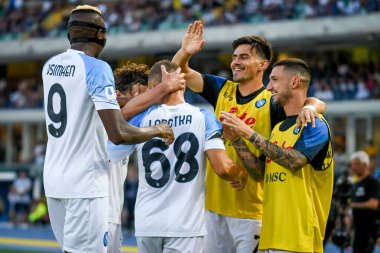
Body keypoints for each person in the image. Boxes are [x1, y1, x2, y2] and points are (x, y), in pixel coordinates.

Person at [172, 20, 326, 252]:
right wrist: (184, 53)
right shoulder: (221, 88)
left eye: (244, 57)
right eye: (234, 57)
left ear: (263, 64)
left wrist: (313, 107)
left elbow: (310, 102)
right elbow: (176, 75)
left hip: (252, 210)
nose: (235, 62)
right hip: (213, 207)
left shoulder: (274, 100)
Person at [42, 5, 181, 253]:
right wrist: (159, 130)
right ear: (101, 36)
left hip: (54, 182)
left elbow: (87, 104)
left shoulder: (50, 66)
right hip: (85, 185)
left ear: (69, 35)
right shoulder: (97, 68)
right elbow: (118, 133)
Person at [108, 60, 248, 253]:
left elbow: (113, 146)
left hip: (147, 224)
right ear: (181, 84)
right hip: (185, 226)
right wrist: (241, 174)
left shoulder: (141, 118)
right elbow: (223, 168)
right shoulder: (204, 117)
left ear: (155, 87)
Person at [221, 58, 334, 253]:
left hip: (299, 239)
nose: (268, 86)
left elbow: (294, 162)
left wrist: (248, 132)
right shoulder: (278, 129)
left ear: (294, 82)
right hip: (270, 236)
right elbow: (261, 173)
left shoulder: (315, 124)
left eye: (274, 79)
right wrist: (237, 139)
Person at [107, 61, 150, 253]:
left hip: (111, 212)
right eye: (141, 92)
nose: (145, 100)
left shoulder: (129, 118)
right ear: (118, 94)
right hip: (97, 208)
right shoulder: (110, 115)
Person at [350, 151, 380, 253]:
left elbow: (374, 204)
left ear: (365, 165)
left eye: (357, 164)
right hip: (358, 229)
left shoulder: (373, 182)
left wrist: (353, 205)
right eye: (352, 164)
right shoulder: (355, 184)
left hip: (369, 229)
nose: (354, 167)